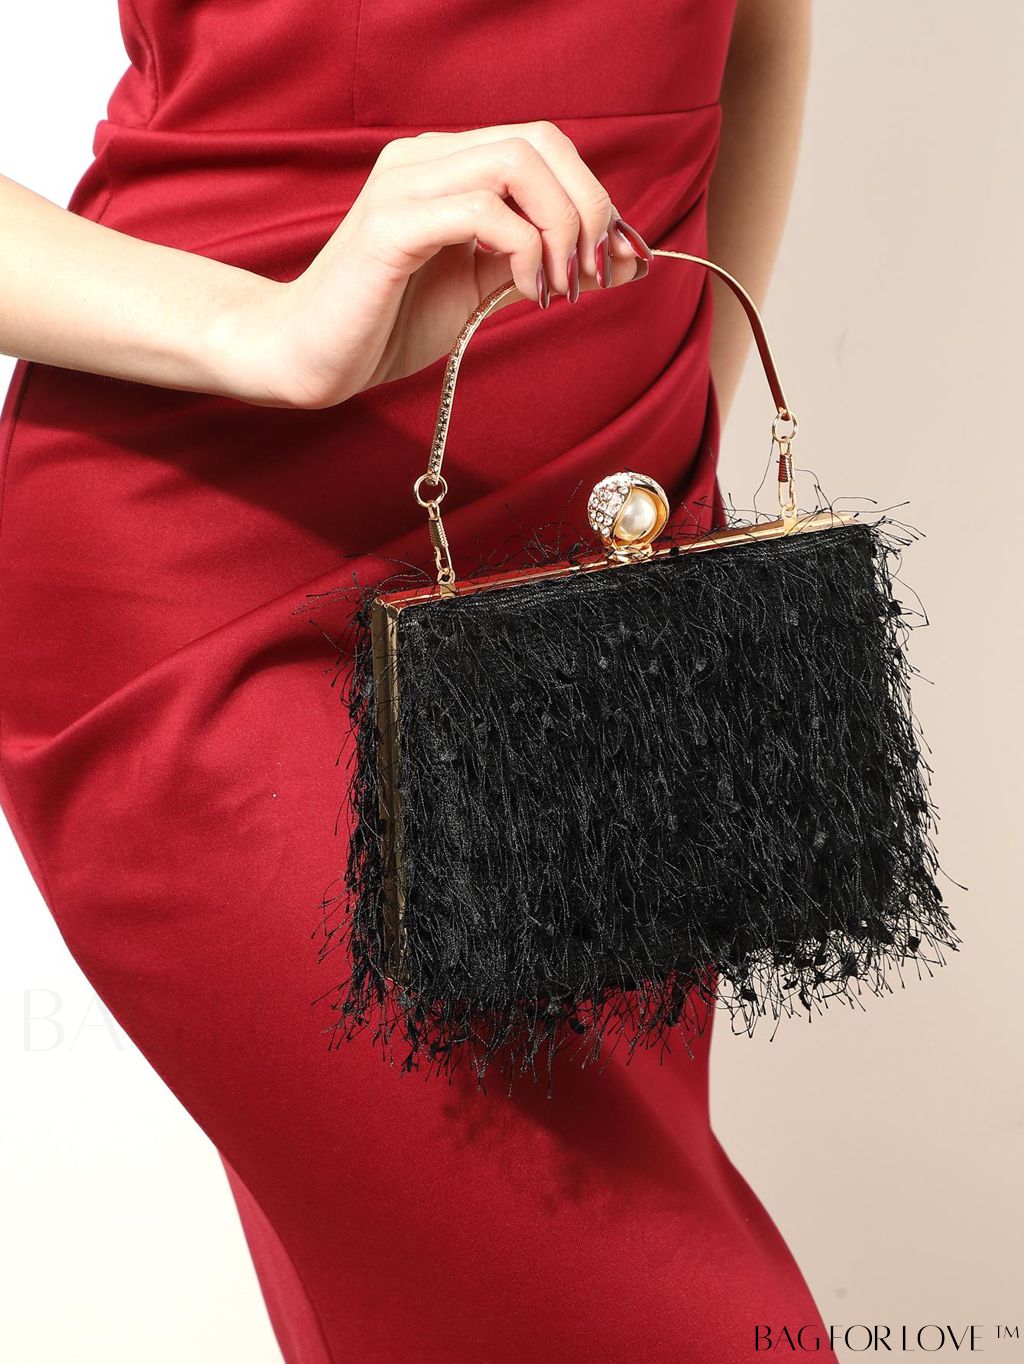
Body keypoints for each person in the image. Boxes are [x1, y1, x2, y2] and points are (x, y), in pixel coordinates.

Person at [0, 1, 834, 1360]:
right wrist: (264, 333)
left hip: (600, 585)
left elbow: (763, 32)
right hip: (216, 569)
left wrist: (664, 461)